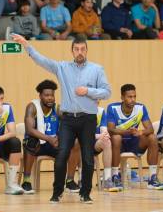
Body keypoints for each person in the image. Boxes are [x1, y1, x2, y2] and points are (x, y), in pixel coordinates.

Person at [11, 34, 111, 204]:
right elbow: (41, 60)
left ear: (87, 50)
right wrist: (27, 45)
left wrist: (88, 91)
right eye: (76, 49)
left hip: (88, 119)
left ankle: (85, 193)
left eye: (82, 49)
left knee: (87, 157)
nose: (79, 52)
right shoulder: (62, 67)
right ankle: (57, 192)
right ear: (72, 51)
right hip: (68, 120)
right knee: (62, 153)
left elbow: (107, 92)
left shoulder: (97, 69)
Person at [21, 80, 81, 194]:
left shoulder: (58, 109)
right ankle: (26, 181)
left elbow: (68, 126)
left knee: (75, 142)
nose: (50, 98)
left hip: (53, 143)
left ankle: (69, 181)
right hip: (37, 144)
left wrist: (61, 137)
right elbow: (29, 130)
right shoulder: (32, 107)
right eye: (46, 95)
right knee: (30, 141)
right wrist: (48, 138)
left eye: (52, 95)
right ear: (40, 96)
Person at [107, 84, 161, 190]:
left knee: (153, 137)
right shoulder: (113, 108)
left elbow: (150, 129)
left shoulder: (140, 108)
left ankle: (152, 177)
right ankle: (115, 176)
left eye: (134, 96)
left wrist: (140, 132)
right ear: (122, 97)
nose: (133, 99)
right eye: (129, 97)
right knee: (116, 138)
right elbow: (111, 130)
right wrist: (128, 132)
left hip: (134, 143)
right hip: (119, 144)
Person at [0, 86, 24, 195]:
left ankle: (11, 184)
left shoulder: (7, 108)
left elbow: (13, 132)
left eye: (1, 99)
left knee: (15, 142)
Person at [94, 100, 117, 191]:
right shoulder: (80, 111)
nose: (96, 101)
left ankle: (107, 179)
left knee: (107, 141)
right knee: (78, 142)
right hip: (82, 143)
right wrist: (99, 135)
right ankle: (80, 179)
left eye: (97, 98)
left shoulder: (101, 111)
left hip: (94, 143)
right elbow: (82, 134)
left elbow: (104, 130)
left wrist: (104, 134)